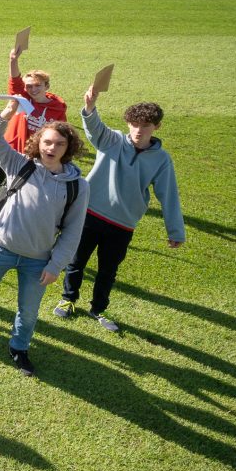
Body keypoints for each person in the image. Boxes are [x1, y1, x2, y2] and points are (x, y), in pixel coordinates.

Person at [0, 102, 89, 376]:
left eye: (59, 144)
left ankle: (19, 348)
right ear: (38, 142)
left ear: (68, 148)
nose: (51, 148)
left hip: (38, 261)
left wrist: (56, 265)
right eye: (47, 142)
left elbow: (73, 230)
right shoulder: (19, 164)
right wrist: (6, 113)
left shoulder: (78, 185)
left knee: (29, 311)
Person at [54, 94, 184, 332]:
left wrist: (175, 231)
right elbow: (93, 127)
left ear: (157, 127)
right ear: (127, 123)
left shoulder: (162, 160)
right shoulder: (112, 140)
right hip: (89, 214)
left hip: (122, 224)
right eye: (134, 124)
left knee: (108, 270)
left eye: (145, 126)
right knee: (75, 261)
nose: (138, 130)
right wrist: (90, 105)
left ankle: (98, 308)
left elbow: (169, 195)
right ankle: (69, 299)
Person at [0, 44, 67, 243]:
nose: (32, 89)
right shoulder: (22, 97)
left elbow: (61, 134)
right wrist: (13, 60)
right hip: (5, 152)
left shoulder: (57, 109)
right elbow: (15, 80)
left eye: (37, 85)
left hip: (29, 160)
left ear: (46, 86)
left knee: (7, 197)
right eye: (29, 86)